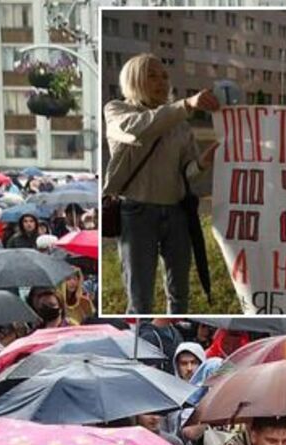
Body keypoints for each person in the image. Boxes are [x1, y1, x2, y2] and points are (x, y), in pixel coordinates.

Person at [104, 53, 219, 314]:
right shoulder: (117, 110)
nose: (161, 82)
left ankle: (174, 338)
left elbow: (186, 174)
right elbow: (139, 129)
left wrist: (203, 161)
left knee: (180, 294)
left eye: (165, 76)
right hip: (136, 213)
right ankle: (141, 345)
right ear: (133, 79)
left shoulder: (180, 124)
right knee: (140, 297)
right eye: (152, 75)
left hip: (177, 213)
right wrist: (187, 104)